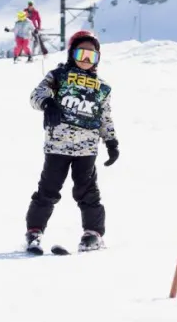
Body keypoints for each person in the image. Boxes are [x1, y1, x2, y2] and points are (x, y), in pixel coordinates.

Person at [24, 30, 118, 253]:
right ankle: (34, 231)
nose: (86, 60)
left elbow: (105, 116)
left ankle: (93, 234)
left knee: (87, 192)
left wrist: (112, 142)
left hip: (87, 148)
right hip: (58, 145)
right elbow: (35, 95)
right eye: (81, 54)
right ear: (71, 53)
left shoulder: (101, 87)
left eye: (91, 56)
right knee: (48, 190)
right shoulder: (58, 76)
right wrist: (48, 103)